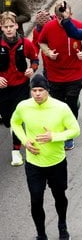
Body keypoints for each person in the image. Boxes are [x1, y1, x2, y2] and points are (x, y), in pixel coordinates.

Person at [10, 74, 80, 240]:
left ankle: (62, 226)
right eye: (34, 90)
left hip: (56, 162)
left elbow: (75, 130)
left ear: (47, 91)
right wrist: (25, 141)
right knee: (36, 200)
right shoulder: (23, 106)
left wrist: (54, 136)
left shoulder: (61, 108)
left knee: (59, 196)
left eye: (41, 90)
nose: (37, 94)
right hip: (34, 163)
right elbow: (15, 122)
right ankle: (41, 234)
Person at [38, 2, 82, 150]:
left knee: (71, 103)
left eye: (65, 17)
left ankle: (69, 134)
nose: (62, 21)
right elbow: (41, 42)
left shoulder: (79, 25)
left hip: (75, 72)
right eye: (59, 18)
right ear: (56, 17)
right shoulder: (49, 27)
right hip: (55, 74)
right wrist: (48, 53)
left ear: (70, 15)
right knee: (59, 105)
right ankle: (61, 128)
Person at [0, 11, 38, 166]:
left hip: (21, 86)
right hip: (3, 88)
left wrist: (32, 69)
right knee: (8, 120)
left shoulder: (24, 43)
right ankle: (15, 129)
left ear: (16, 25)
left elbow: (35, 59)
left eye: (11, 26)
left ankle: (16, 151)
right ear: (1, 27)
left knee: (17, 118)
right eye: (5, 26)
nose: (9, 29)